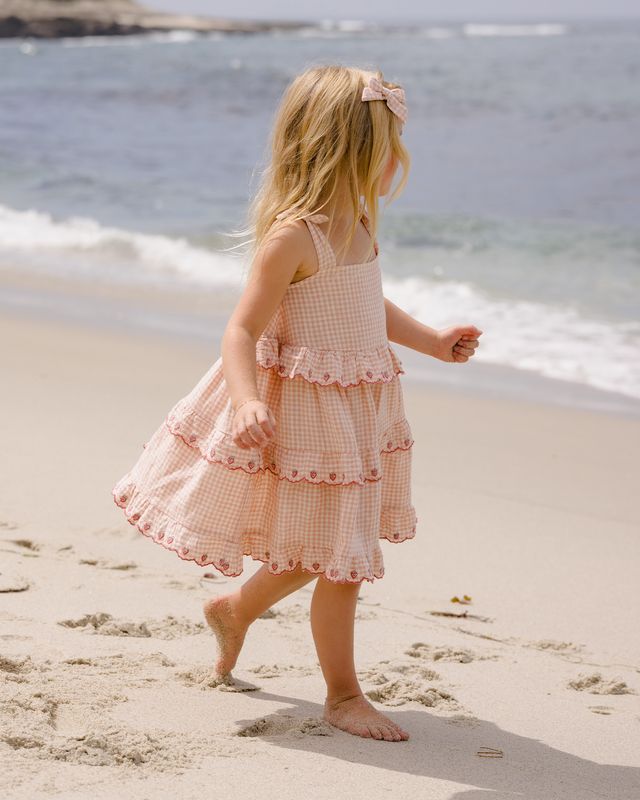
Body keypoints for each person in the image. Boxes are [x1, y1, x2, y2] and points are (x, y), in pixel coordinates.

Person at [111, 64, 482, 742]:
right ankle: (343, 697)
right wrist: (248, 401)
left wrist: (432, 340)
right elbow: (241, 330)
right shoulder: (293, 235)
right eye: (388, 145)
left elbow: (365, 303)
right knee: (341, 561)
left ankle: (232, 608)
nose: (396, 161)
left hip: (357, 411)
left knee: (321, 549)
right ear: (350, 149)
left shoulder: (360, 223)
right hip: (307, 416)